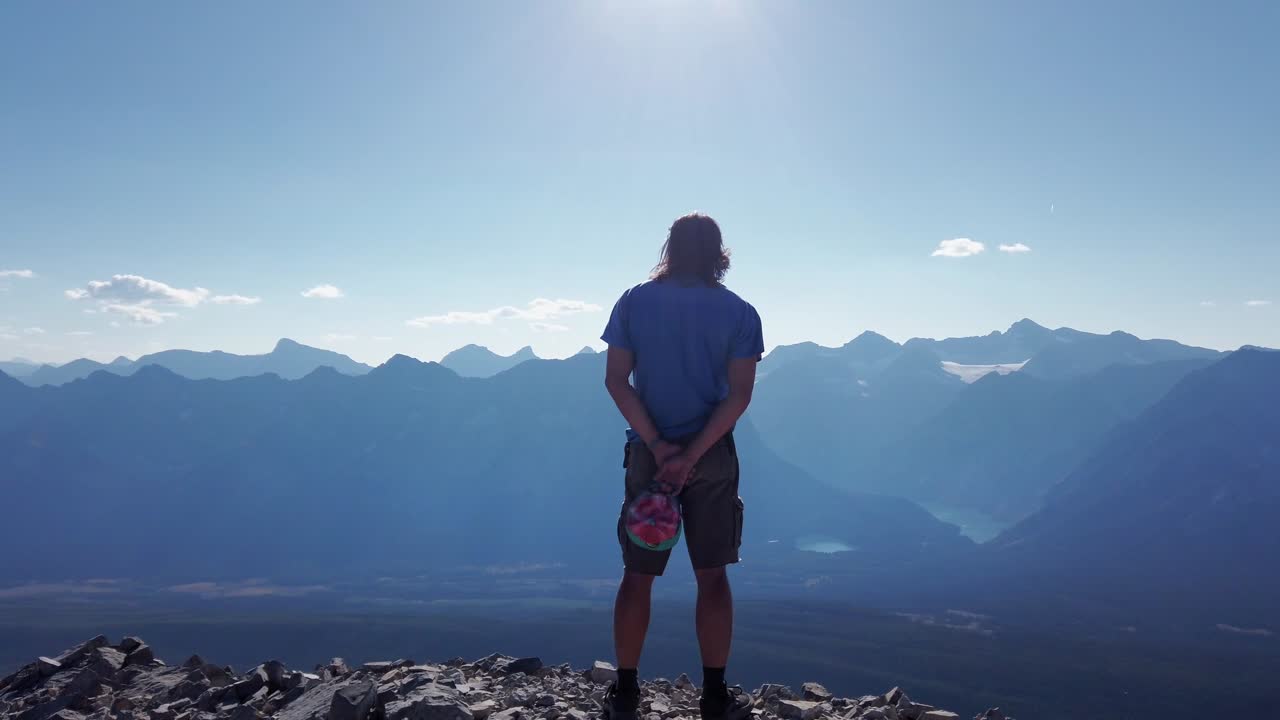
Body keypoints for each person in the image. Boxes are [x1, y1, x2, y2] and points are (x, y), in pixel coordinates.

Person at [600, 213, 764, 720]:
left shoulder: (633, 302)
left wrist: (660, 448)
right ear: (720, 253)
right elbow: (739, 396)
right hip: (710, 455)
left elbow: (616, 382)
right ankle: (714, 696)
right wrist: (692, 456)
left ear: (669, 247)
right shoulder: (739, 313)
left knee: (637, 573)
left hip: (650, 455)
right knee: (711, 574)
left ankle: (625, 691)